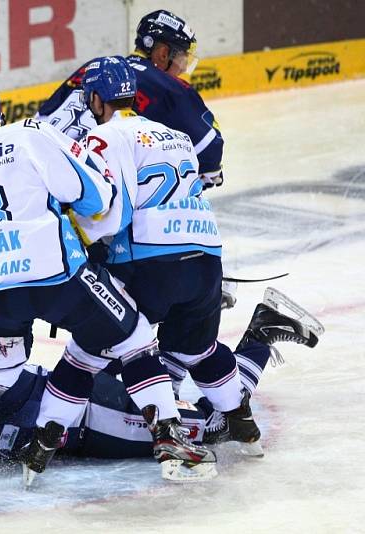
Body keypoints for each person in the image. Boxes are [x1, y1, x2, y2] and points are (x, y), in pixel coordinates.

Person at [0, 79, 215, 483]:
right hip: (57, 277)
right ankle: (168, 437)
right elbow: (92, 193)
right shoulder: (29, 135)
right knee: (135, 338)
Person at [72, 56, 322, 449]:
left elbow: (113, 213)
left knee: (138, 356)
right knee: (189, 351)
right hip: (204, 257)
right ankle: (257, 349)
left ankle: (256, 341)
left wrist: (78, 236)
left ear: (96, 99)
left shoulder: (106, 137)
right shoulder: (175, 136)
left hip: (151, 262)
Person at [0, 313, 313, 471]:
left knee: (214, 426)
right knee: (155, 377)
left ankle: (260, 333)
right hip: (86, 400)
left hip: (93, 418)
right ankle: (187, 317)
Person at [37, 9, 224, 190]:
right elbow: (210, 151)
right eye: (183, 59)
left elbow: (40, 118)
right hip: (87, 188)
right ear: (163, 53)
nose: (183, 68)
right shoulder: (172, 88)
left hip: (37, 170)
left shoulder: (93, 67)